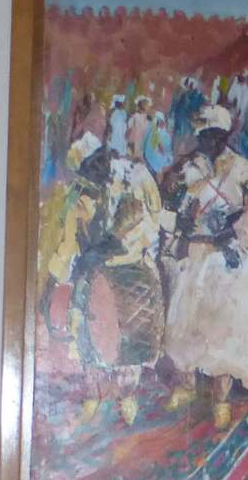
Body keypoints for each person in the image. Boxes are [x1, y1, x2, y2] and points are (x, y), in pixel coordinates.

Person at [159, 103, 248, 429]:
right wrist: (178, 222)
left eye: (218, 135)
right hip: (195, 251)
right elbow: (168, 207)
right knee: (186, 320)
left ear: (226, 135)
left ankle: (221, 396)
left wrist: (232, 235)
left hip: (230, 254)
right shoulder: (186, 167)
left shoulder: (243, 169)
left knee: (226, 327)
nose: (212, 141)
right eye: (206, 135)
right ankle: (186, 384)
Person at [43, 133, 164, 424]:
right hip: (93, 275)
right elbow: (68, 242)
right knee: (88, 337)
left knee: (131, 340)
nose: (92, 181)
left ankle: (127, 398)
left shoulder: (136, 182)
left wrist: (108, 249)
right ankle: (92, 397)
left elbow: (147, 228)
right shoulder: (79, 195)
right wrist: (53, 280)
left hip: (132, 273)